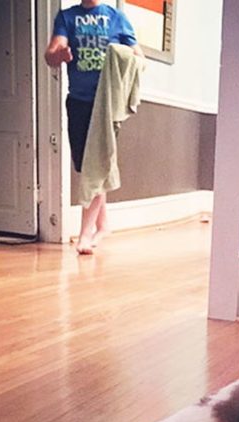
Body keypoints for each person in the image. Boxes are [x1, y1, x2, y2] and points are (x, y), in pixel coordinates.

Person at [45, 0, 143, 254]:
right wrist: (60, 54)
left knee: (95, 164)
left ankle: (85, 235)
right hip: (78, 101)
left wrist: (122, 53)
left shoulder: (115, 17)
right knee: (86, 164)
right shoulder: (67, 17)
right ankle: (103, 225)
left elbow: (138, 57)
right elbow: (52, 52)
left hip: (107, 104)